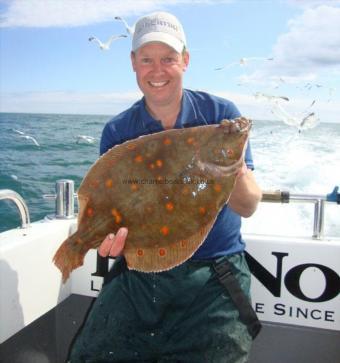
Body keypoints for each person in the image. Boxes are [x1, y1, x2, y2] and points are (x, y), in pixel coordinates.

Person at [69, 11, 262, 363]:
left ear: (185, 60)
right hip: (140, 277)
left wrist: (231, 166)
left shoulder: (220, 115)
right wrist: (104, 243)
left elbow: (248, 206)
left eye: (168, 59)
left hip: (216, 276)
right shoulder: (118, 130)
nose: (157, 71)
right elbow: (111, 204)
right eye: (147, 60)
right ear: (133, 63)